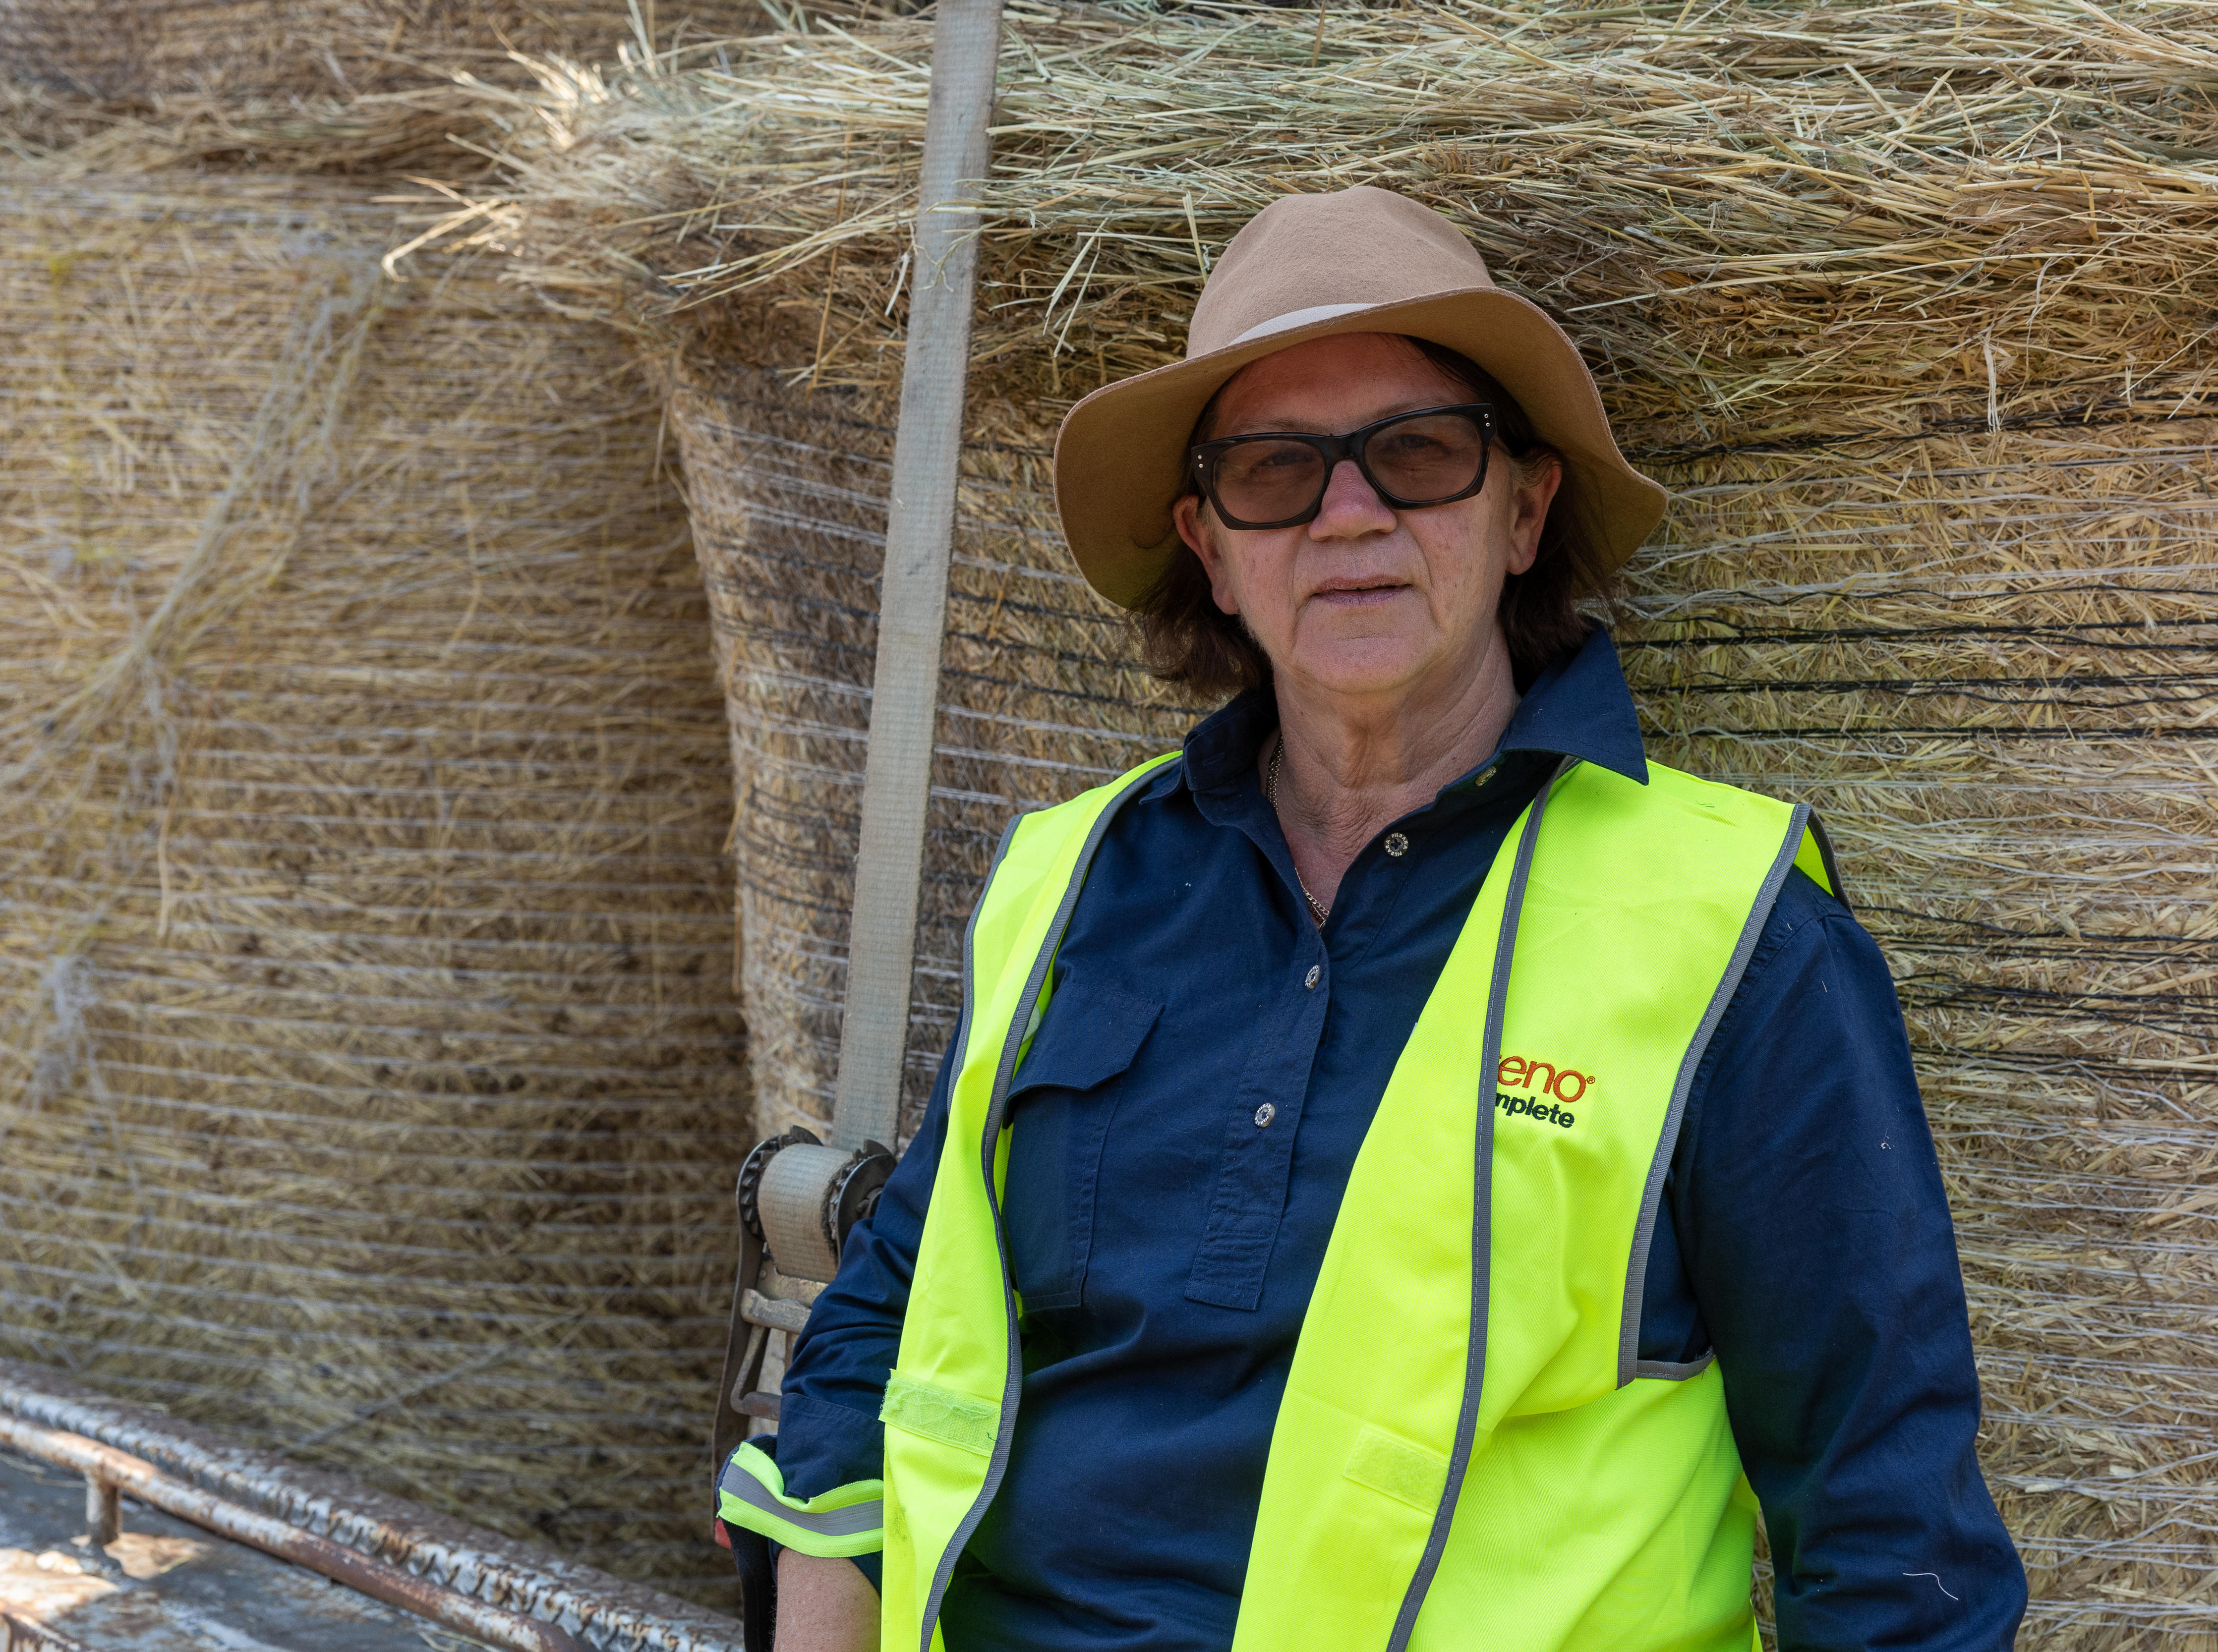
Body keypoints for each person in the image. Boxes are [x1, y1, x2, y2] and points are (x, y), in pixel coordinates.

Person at [715, 187, 2025, 1652]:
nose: (1350, 515)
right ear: (1211, 547)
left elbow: (1890, 1534)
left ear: (1524, 511)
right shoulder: (1071, 878)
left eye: (1416, 454)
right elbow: (883, 1335)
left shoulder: (1736, 935)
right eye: (1278, 471)